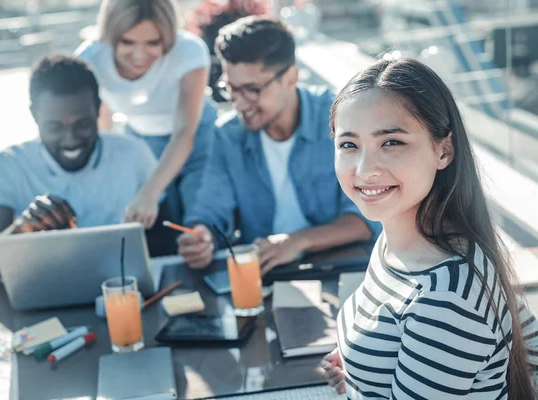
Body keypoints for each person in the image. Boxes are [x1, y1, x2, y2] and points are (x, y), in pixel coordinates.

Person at [321, 58, 538, 399]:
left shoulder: (445, 296)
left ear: (444, 150)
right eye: (349, 145)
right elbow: (530, 347)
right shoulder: (402, 240)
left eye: (391, 142)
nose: (364, 170)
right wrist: (361, 370)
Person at [177, 16, 380, 275]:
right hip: (269, 273)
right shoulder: (228, 136)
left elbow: (367, 216)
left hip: (343, 268)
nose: (239, 102)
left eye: (252, 89)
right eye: (231, 89)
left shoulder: (338, 118)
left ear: (291, 78)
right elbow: (210, 211)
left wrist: (297, 241)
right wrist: (201, 237)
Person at [0, 55, 174, 282]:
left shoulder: (134, 154)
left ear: (98, 109)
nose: (70, 140)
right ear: (34, 115)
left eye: (82, 124)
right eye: (54, 127)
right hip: (41, 296)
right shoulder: (4, 167)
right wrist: (23, 228)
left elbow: (167, 240)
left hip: (124, 291)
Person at [76, 0, 217, 228]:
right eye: (127, 42)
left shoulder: (189, 51)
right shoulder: (91, 60)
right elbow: (103, 131)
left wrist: (149, 193)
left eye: (153, 42)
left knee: (199, 220)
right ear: (111, 36)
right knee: (157, 222)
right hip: (141, 141)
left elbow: (184, 133)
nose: (139, 54)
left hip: (198, 138)